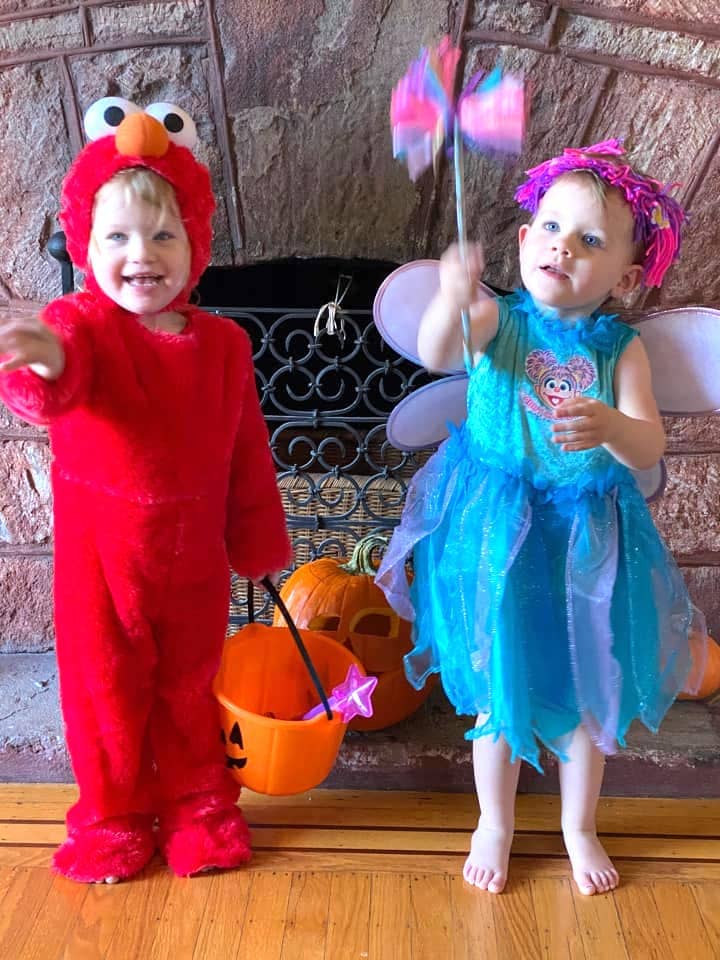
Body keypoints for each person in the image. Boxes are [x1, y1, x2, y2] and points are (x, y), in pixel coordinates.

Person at [376, 139, 705, 896]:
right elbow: (433, 353)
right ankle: (494, 819)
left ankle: (579, 824)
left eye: (591, 240)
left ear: (622, 276)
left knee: (588, 684)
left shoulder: (623, 351)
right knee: (500, 681)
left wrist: (613, 429)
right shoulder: (496, 320)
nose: (564, 247)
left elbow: (649, 438)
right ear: (524, 242)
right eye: (552, 228)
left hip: (583, 541)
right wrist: (453, 300)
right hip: (496, 535)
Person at [0, 99, 291, 883]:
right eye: (118, 236)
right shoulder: (83, 323)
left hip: (193, 557)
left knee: (191, 684)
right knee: (105, 693)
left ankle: (200, 803)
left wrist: (258, 546)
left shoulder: (225, 345)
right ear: (87, 246)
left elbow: (246, 452)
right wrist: (38, 360)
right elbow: (55, 382)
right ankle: (113, 815)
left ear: (195, 246)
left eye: (165, 234)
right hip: (102, 562)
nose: (143, 253)